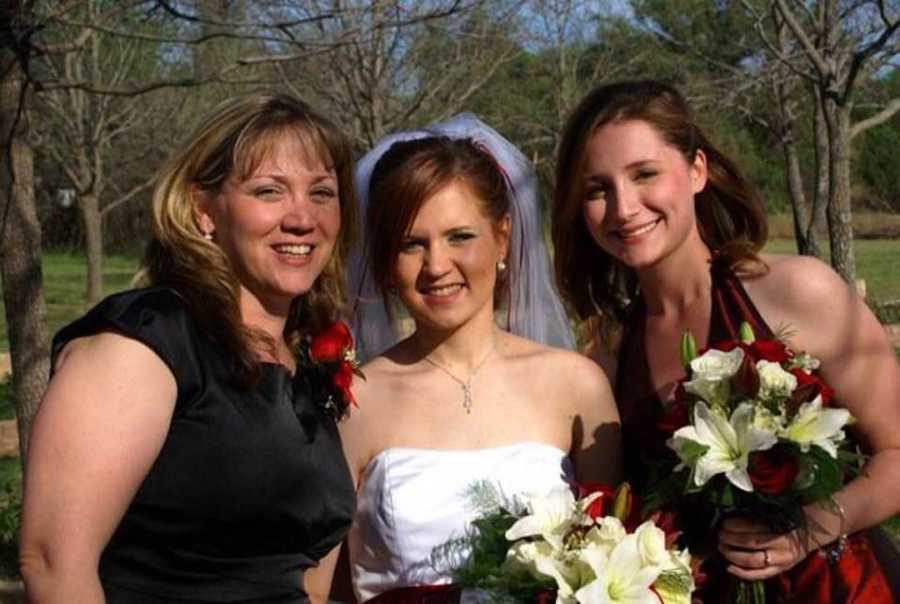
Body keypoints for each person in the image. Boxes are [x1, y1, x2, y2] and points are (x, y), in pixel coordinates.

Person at [551, 79, 900, 602]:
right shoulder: (607, 351)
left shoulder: (797, 292)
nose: (623, 208)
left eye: (644, 174)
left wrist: (814, 526)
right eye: (598, 189)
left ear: (696, 171)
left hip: (836, 588)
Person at [19, 93, 359, 604]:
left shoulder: (305, 363)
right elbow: (52, 563)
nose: (302, 218)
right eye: (270, 191)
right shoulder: (148, 343)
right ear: (204, 210)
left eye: (322, 193)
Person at [322, 115, 622, 603]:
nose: (437, 266)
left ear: (502, 237)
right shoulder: (354, 400)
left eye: (459, 237)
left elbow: (610, 569)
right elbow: (318, 592)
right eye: (411, 244)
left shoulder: (577, 386)